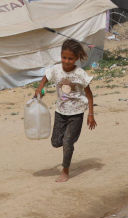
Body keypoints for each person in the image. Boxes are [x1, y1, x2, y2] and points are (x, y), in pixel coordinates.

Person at [33, 39, 97, 182]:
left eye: (70, 58)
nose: (67, 61)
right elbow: (45, 79)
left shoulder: (80, 74)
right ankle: (69, 143)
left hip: (76, 114)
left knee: (67, 142)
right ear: (61, 55)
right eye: (64, 57)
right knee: (56, 142)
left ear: (76, 58)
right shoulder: (56, 70)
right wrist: (40, 89)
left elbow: (89, 95)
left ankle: (65, 171)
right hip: (60, 113)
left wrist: (91, 114)